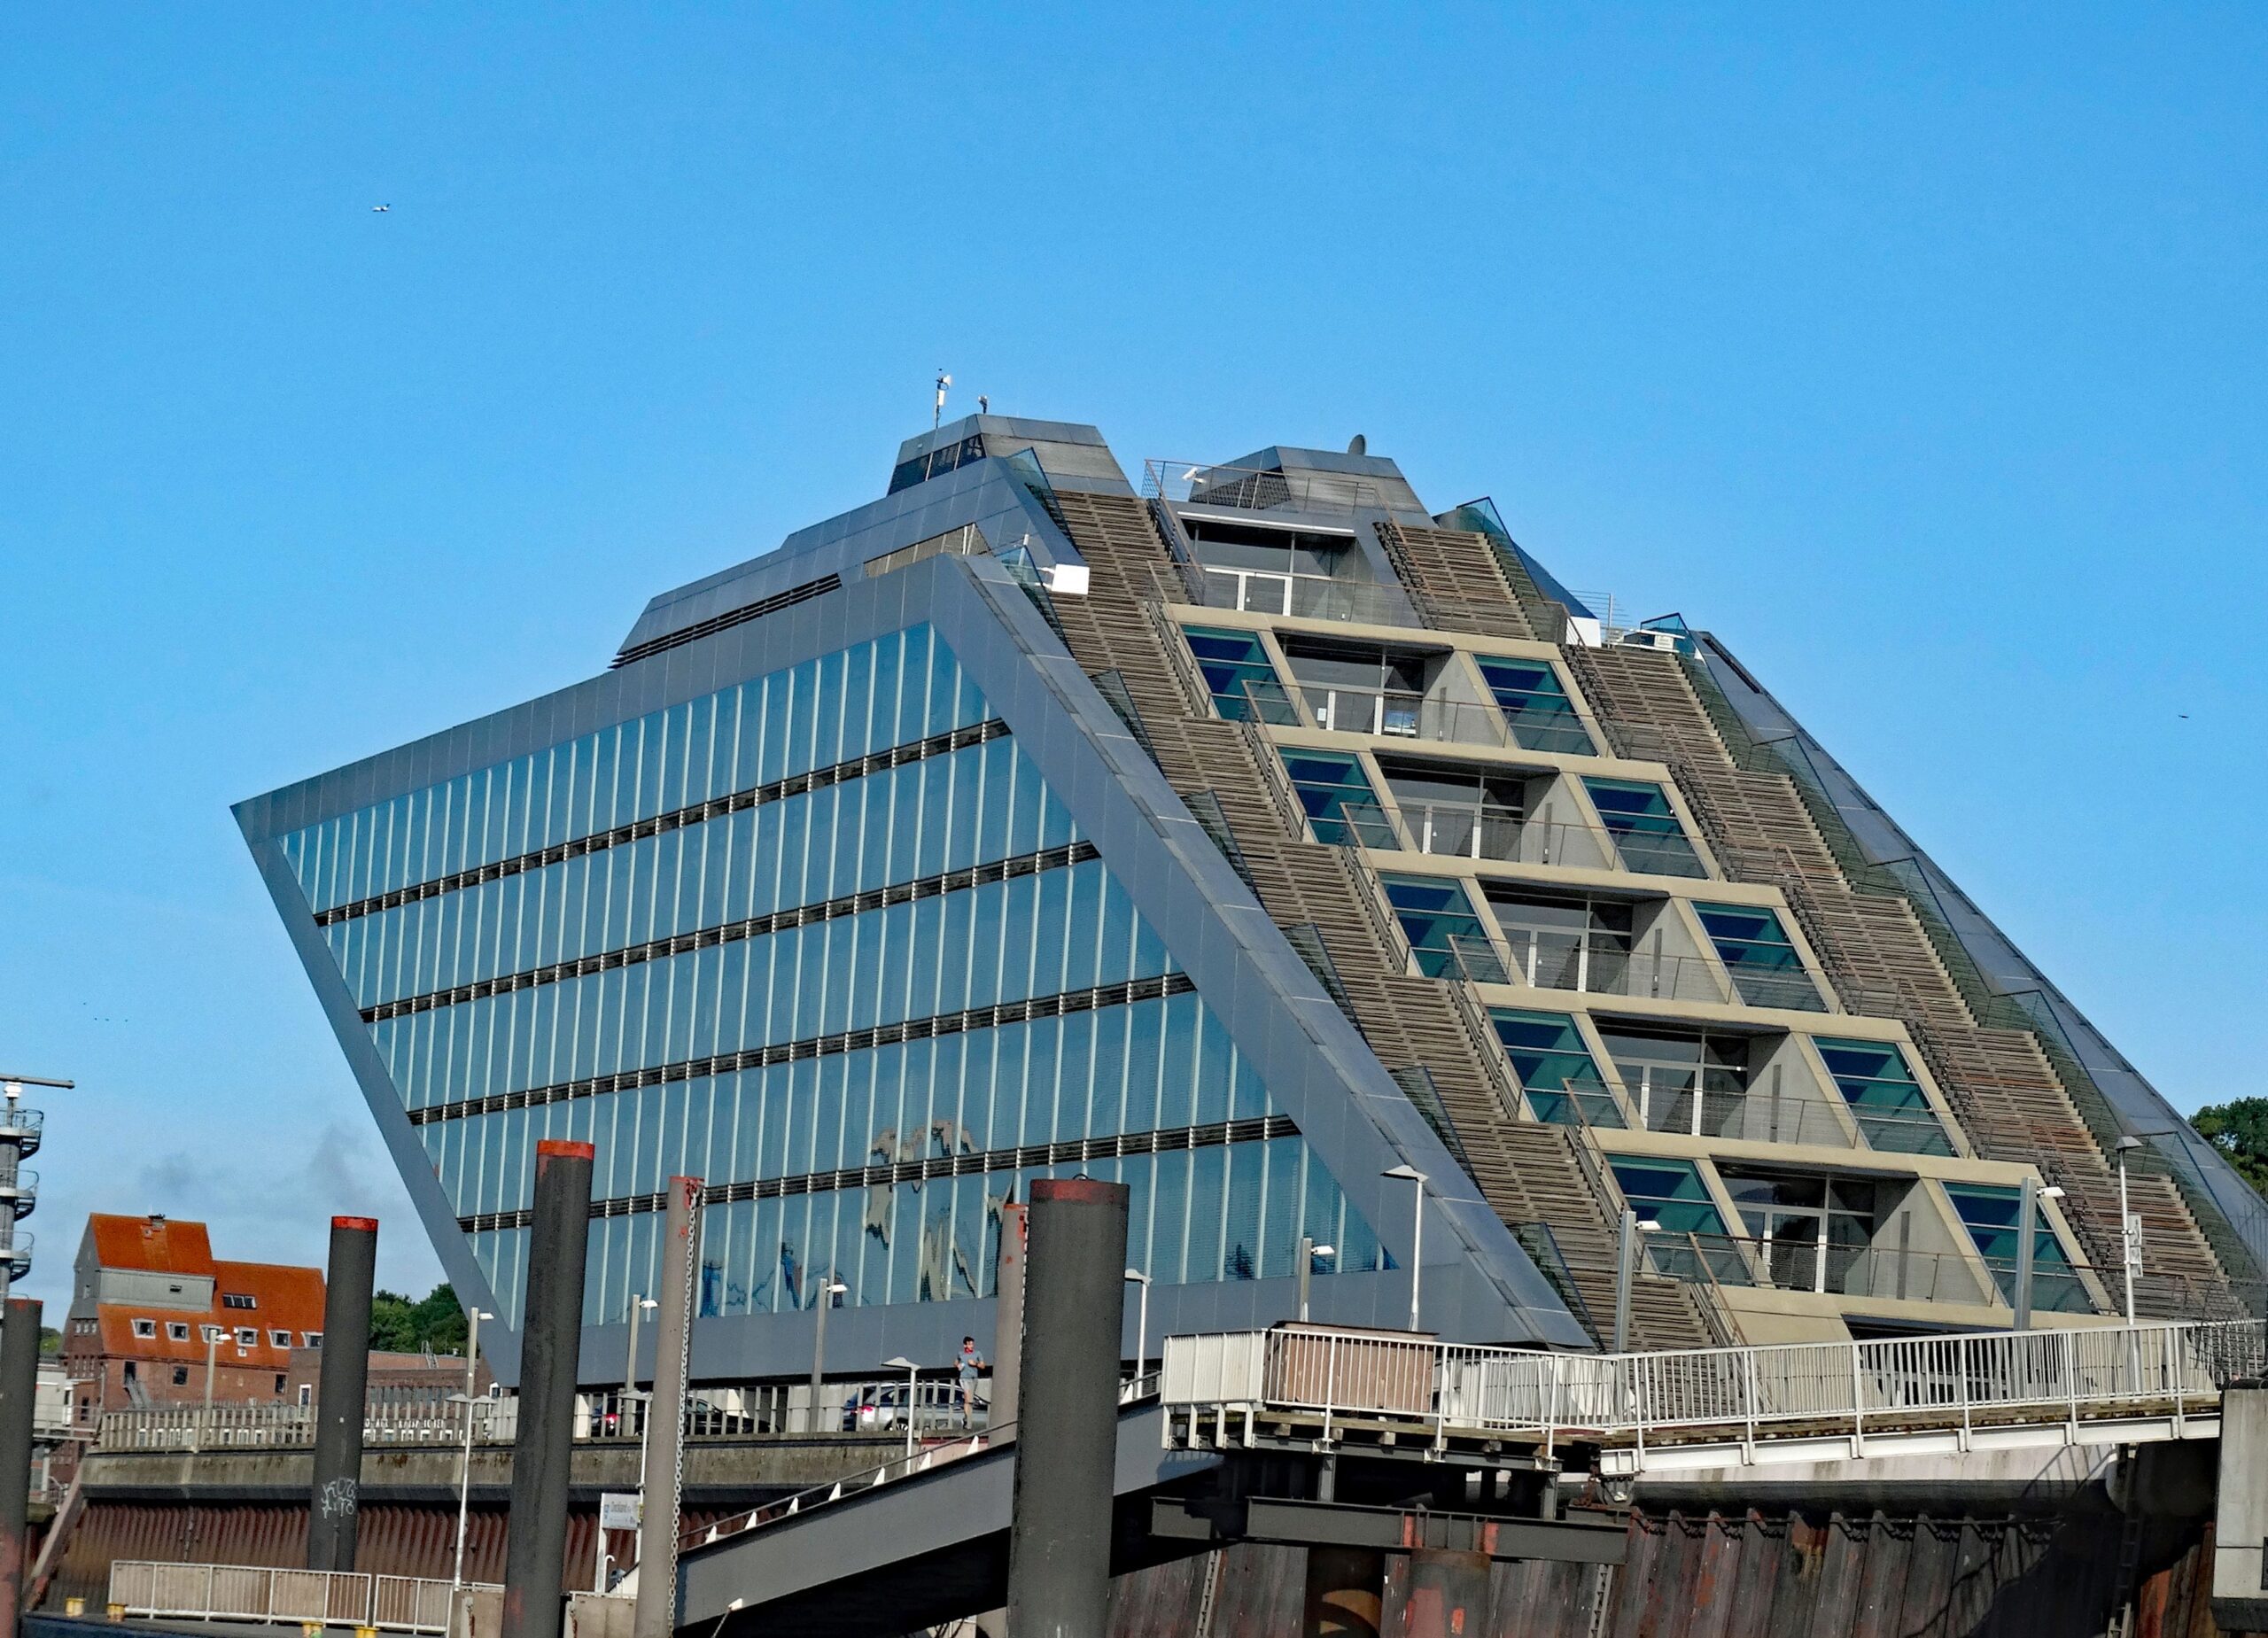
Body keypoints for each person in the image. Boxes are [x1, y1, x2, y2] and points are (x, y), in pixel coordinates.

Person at [956, 1335, 985, 1425]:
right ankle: (968, 1419)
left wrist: (975, 1364)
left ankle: (966, 1418)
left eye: (972, 1344)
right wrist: (958, 1365)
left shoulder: (977, 1353)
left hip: (974, 1378)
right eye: (969, 1344)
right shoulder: (961, 1354)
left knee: (971, 1398)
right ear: (965, 1345)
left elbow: (983, 1366)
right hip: (964, 1378)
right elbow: (956, 1362)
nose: (971, 1346)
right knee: (967, 1398)